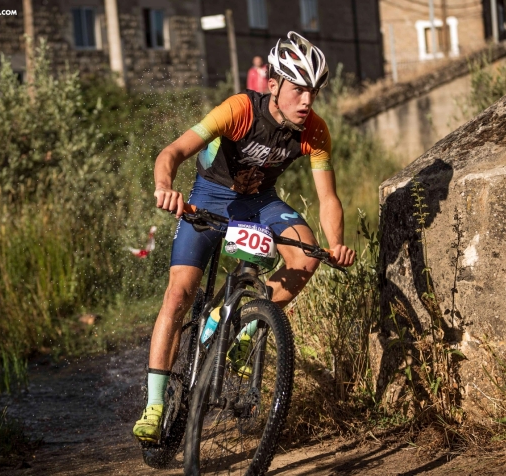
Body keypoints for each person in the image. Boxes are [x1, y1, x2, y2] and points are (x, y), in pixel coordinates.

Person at [133, 31, 356, 443]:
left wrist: (335, 243)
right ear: (273, 85)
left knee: (305, 258)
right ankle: (155, 403)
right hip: (209, 199)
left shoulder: (315, 131)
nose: (307, 101)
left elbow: (328, 197)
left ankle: (240, 326)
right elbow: (172, 153)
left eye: (314, 91)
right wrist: (165, 186)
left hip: (260, 203)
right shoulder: (239, 109)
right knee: (179, 294)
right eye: (299, 89)